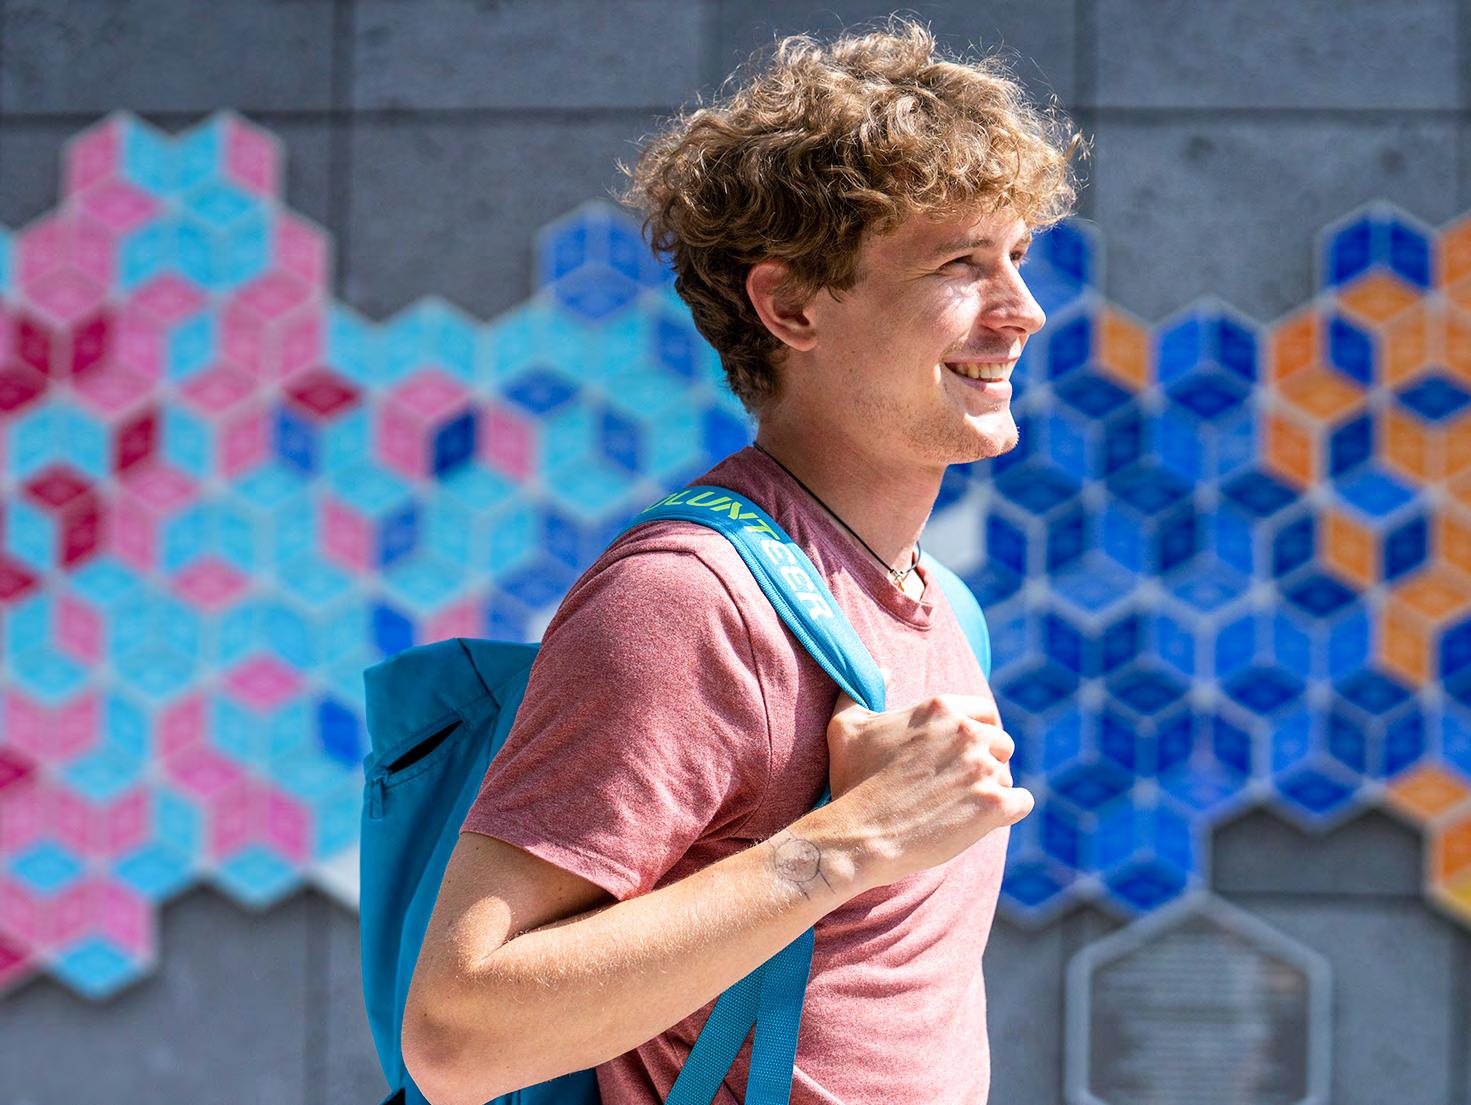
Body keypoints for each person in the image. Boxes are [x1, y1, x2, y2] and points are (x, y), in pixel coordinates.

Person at [401, 17, 1086, 1105]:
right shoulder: (689, 598)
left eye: (1017, 257)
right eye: (960, 264)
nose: (1023, 312)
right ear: (790, 305)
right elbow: (455, 1035)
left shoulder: (940, 603)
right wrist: (850, 841)